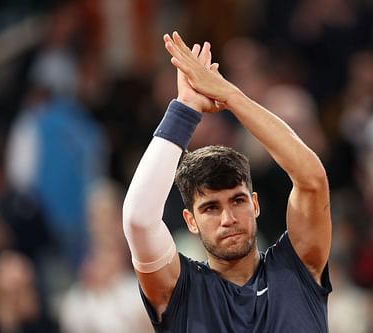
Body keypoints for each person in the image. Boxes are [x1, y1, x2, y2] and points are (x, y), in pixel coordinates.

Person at [122, 31, 332, 332]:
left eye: (237, 200)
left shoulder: (296, 269)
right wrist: (185, 108)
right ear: (190, 221)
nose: (229, 218)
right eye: (210, 208)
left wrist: (230, 95)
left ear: (255, 203)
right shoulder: (179, 291)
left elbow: (312, 179)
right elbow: (138, 220)